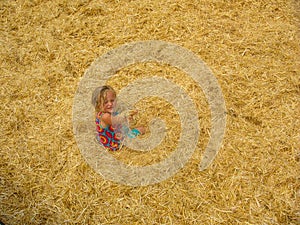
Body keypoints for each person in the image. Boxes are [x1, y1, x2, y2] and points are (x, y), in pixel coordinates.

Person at [91, 85, 145, 151]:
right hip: (115, 142)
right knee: (141, 129)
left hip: (112, 135)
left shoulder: (102, 112)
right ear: (98, 105)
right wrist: (126, 116)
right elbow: (117, 120)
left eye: (112, 100)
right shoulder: (105, 116)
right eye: (105, 102)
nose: (110, 104)